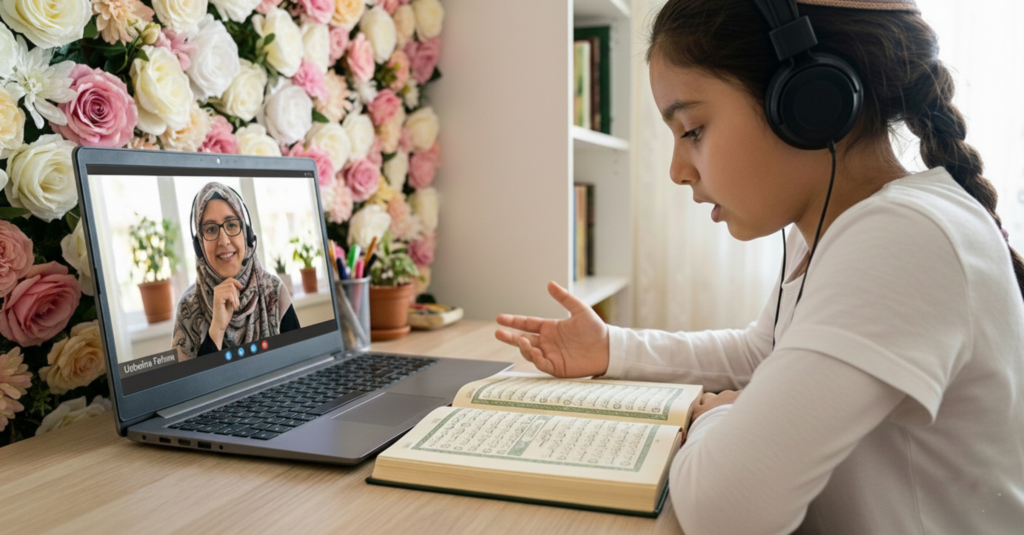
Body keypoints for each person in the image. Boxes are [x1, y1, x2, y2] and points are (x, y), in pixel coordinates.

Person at [495, 0, 1024, 533]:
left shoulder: (904, 239)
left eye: (692, 130)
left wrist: (720, 415)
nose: (678, 171)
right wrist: (612, 348)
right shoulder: (838, 229)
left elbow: (727, 510)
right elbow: (762, 352)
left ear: (808, 102)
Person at [172, 182, 300, 361]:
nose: (224, 241)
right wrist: (216, 329)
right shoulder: (188, 307)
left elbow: (300, 365)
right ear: (199, 245)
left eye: (231, 225)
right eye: (211, 229)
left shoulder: (274, 291)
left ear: (246, 234)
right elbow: (189, 380)